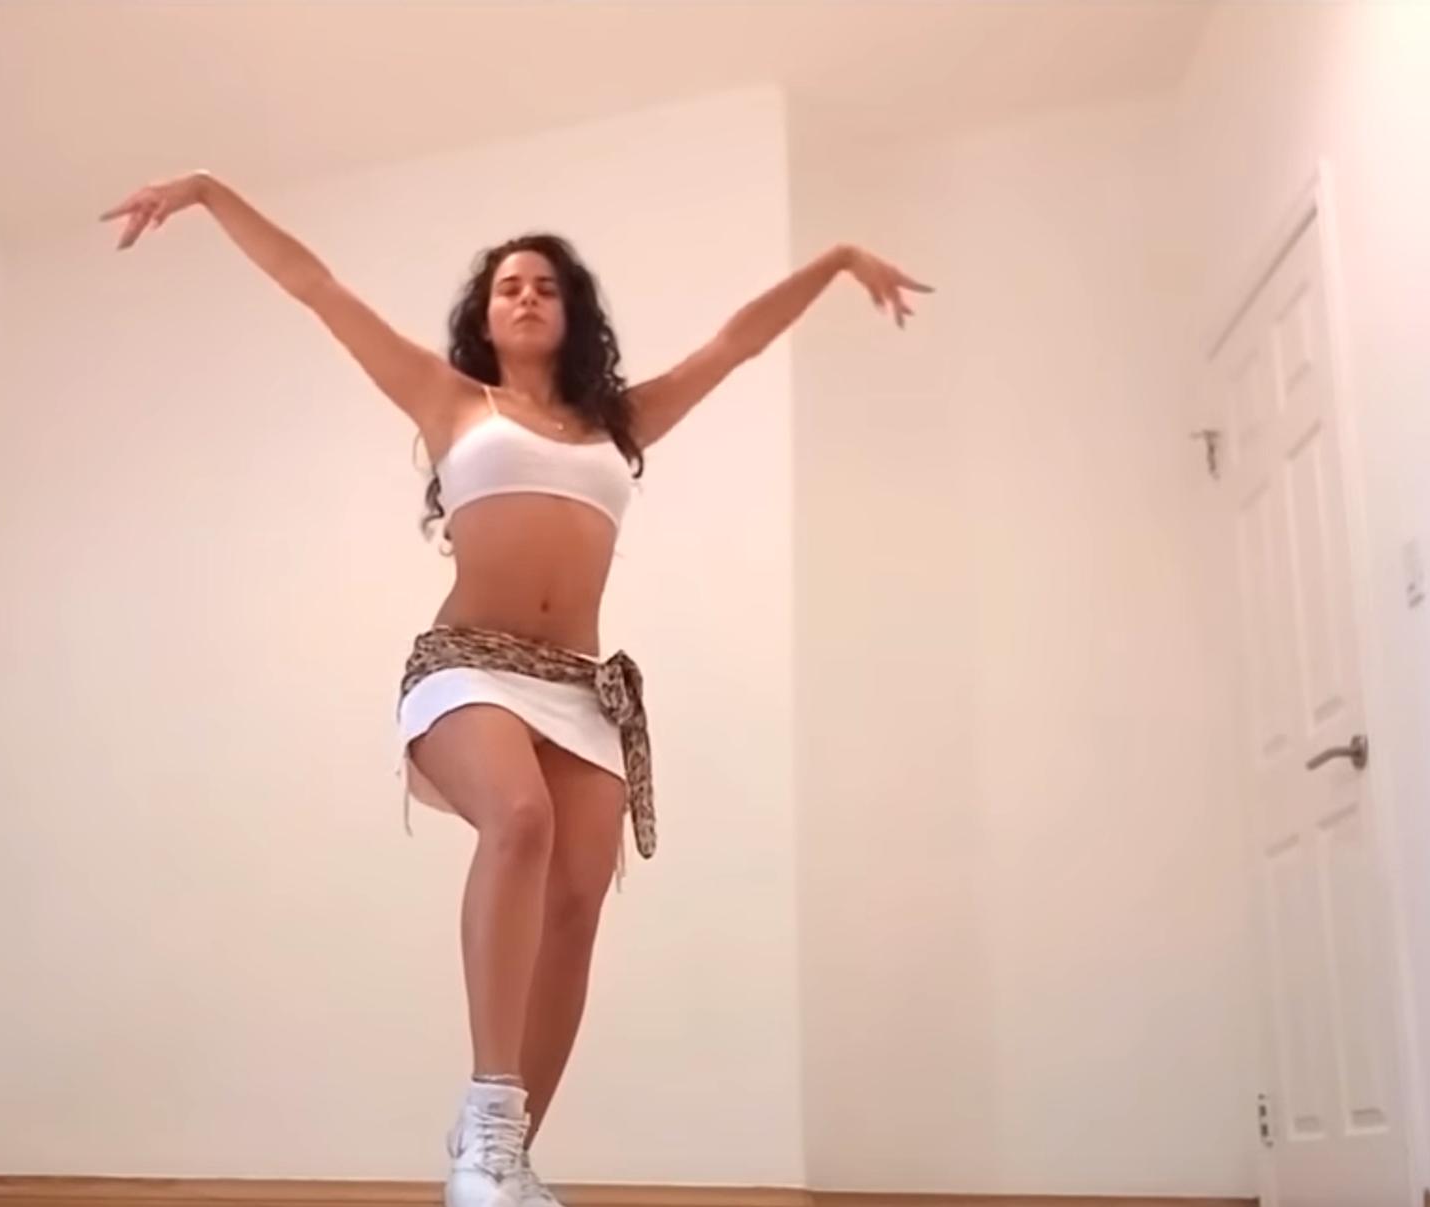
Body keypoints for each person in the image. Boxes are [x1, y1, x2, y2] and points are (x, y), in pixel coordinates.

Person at [101, 169, 929, 1207]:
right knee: (521, 821)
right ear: (484, 317)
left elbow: (734, 344)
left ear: (572, 312)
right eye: (508, 286)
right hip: (466, 661)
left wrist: (837, 260)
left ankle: (502, 1158)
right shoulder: (450, 399)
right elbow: (316, 285)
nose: (527, 295)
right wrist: (207, 193)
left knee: (577, 900)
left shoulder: (618, 422)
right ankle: (488, 1118)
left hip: (580, 687)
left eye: (545, 284)